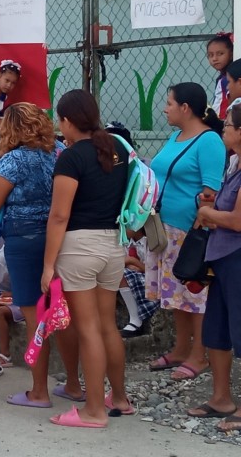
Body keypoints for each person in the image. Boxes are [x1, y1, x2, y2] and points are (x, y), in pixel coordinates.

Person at [40, 89, 133, 429]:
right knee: (107, 325)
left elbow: (59, 216)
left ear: (67, 120)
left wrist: (49, 265)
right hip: (113, 244)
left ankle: (93, 410)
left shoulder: (71, 157)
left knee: (88, 328)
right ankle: (119, 398)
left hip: (80, 247)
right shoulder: (118, 148)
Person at [0, 102, 82, 406]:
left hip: (23, 239)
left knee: (34, 315)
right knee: (60, 314)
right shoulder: (58, 154)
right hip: (56, 237)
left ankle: (38, 391)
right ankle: (74, 385)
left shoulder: (12, 160)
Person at [146, 83, 225, 380]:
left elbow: (210, 191)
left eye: (169, 103)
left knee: (194, 294)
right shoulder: (175, 136)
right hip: (164, 227)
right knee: (174, 293)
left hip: (189, 230)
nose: (165, 108)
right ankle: (180, 348)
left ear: (185, 108)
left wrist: (198, 231)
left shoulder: (209, 142)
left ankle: (198, 354)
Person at [186, 103, 241, 431]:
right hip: (223, 258)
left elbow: (237, 221)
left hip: (236, 256)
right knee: (217, 330)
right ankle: (221, 398)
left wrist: (208, 215)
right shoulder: (233, 163)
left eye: (229, 125)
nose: (224, 129)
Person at [206, 34, 233, 119]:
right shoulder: (221, 78)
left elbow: (221, 110)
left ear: (231, 54)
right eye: (210, 55)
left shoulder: (227, 80)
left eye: (220, 54)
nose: (214, 59)